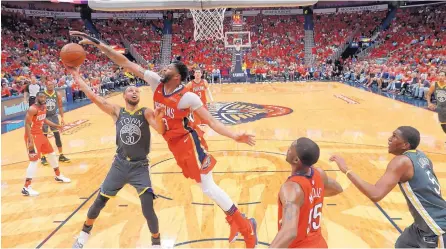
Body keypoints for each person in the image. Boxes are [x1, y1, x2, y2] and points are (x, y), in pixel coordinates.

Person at [70, 30, 258, 248]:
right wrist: (97, 43)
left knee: (207, 186)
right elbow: (125, 62)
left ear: (177, 77)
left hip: (190, 143)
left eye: (169, 68)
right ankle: (240, 220)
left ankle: (244, 225)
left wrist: (236, 135)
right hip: (174, 145)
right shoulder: (155, 82)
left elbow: (212, 122)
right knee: (205, 186)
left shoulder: (188, 97)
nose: (163, 68)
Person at [66, 67, 165, 248]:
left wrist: (159, 118)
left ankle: (156, 243)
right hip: (119, 165)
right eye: (130, 90)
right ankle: (83, 236)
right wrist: (76, 76)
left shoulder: (146, 112)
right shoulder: (117, 111)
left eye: (136, 90)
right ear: (124, 96)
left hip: (140, 167)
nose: (134, 92)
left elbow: (160, 129)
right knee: (99, 201)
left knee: (147, 207)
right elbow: (94, 97)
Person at [330, 126, 446, 248]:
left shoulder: (401, 161)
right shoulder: (421, 156)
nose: (390, 139)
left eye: (395, 136)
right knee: (403, 244)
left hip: (435, 227)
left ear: (405, 145)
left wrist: (346, 170)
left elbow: (376, 194)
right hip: (422, 224)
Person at [269, 138, 343, 248]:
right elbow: (337, 189)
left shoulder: (292, 188)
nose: (288, 149)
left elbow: (289, 233)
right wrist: (310, 198)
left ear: (296, 160)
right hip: (320, 244)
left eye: (291, 148)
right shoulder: (319, 174)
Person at [23, 92, 71, 196]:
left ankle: (58, 176)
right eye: (41, 97)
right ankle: (26, 187)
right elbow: (27, 123)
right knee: (34, 161)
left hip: (40, 135)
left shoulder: (44, 107)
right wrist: (30, 140)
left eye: (44, 97)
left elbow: (44, 119)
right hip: (32, 137)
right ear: (37, 98)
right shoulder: (33, 109)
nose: (43, 98)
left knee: (52, 154)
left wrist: (56, 126)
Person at [41, 80, 70, 165]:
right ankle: (43, 156)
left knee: (57, 136)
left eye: (51, 84)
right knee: (44, 137)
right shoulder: (42, 94)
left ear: (54, 85)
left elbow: (60, 106)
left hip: (54, 116)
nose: (50, 86)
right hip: (44, 117)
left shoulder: (57, 94)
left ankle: (61, 155)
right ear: (45, 85)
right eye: (48, 84)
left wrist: (62, 118)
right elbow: (38, 107)